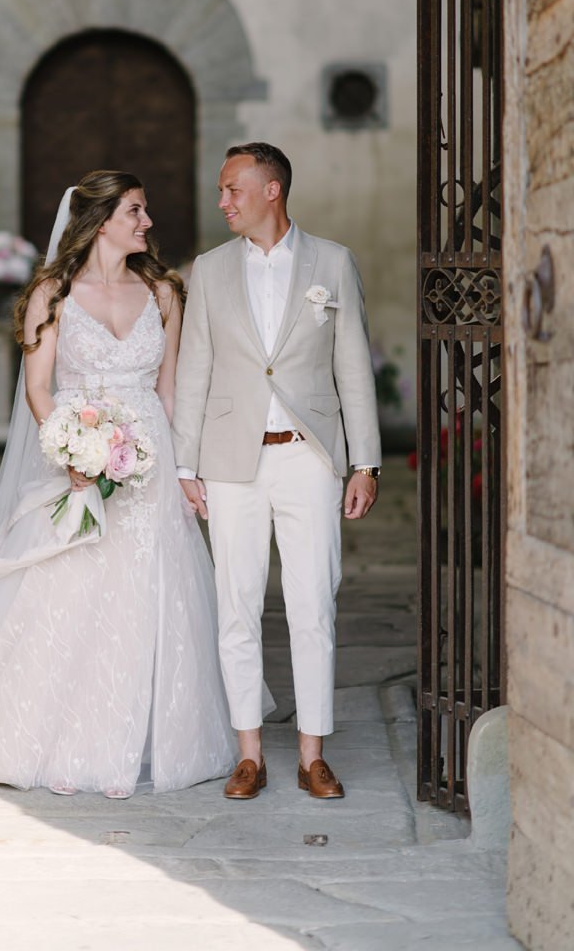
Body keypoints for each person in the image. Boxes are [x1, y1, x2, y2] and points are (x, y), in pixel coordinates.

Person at [0, 171, 235, 797]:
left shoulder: (162, 291)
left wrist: (185, 469)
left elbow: (170, 388)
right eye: (136, 210)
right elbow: (39, 388)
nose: (147, 223)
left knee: (150, 595)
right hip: (78, 457)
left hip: (149, 460)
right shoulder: (53, 293)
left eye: (145, 210)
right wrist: (75, 451)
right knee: (68, 596)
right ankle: (57, 738)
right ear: (102, 221)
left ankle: (150, 732)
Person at [173, 143, 381, 800]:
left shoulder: (333, 263)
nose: (223, 201)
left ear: (272, 189)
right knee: (235, 605)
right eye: (221, 189)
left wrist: (364, 462)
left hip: (309, 456)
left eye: (232, 188)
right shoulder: (207, 270)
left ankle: (313, 754)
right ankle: (249, 754)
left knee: (313, 604)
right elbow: (195, 370)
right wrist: (185, 464)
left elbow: (354, 366)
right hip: (230, 459)